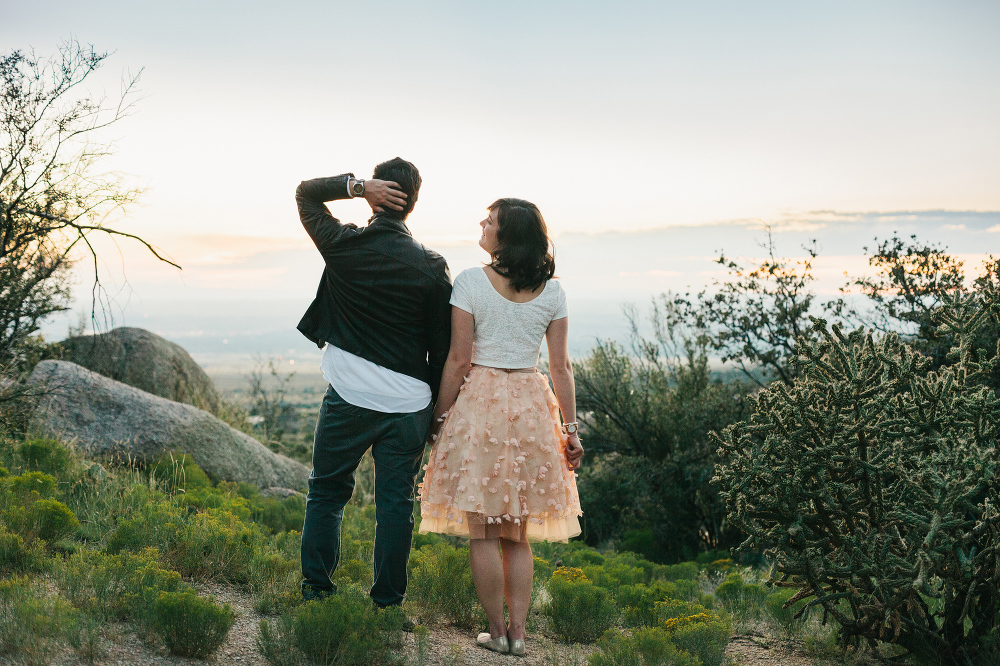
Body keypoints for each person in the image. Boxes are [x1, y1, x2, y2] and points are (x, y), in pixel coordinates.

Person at [418, 198, 584, 656]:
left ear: (506, 235)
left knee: (483, 531)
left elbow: (457, 359)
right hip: (531, 405)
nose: (482, 224)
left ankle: (495, 631)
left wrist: (438, 420)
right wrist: (571, 431)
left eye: (489, 220)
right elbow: (561, 367)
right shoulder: (552, 291)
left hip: (481, 405)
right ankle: (520, 635)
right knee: (518, 532)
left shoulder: (471, 281)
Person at [296, 158, 453, 609]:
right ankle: (387, 603)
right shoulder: (431, 266)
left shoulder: (343, 245)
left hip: (348, 397)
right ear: (413, 204)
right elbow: (441, 351)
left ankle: (317, 592)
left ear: (377, 196)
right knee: (395, 507)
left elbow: (306, 193)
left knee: (326, 491)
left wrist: (355, 186)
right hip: (409, 405)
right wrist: (437, 416)